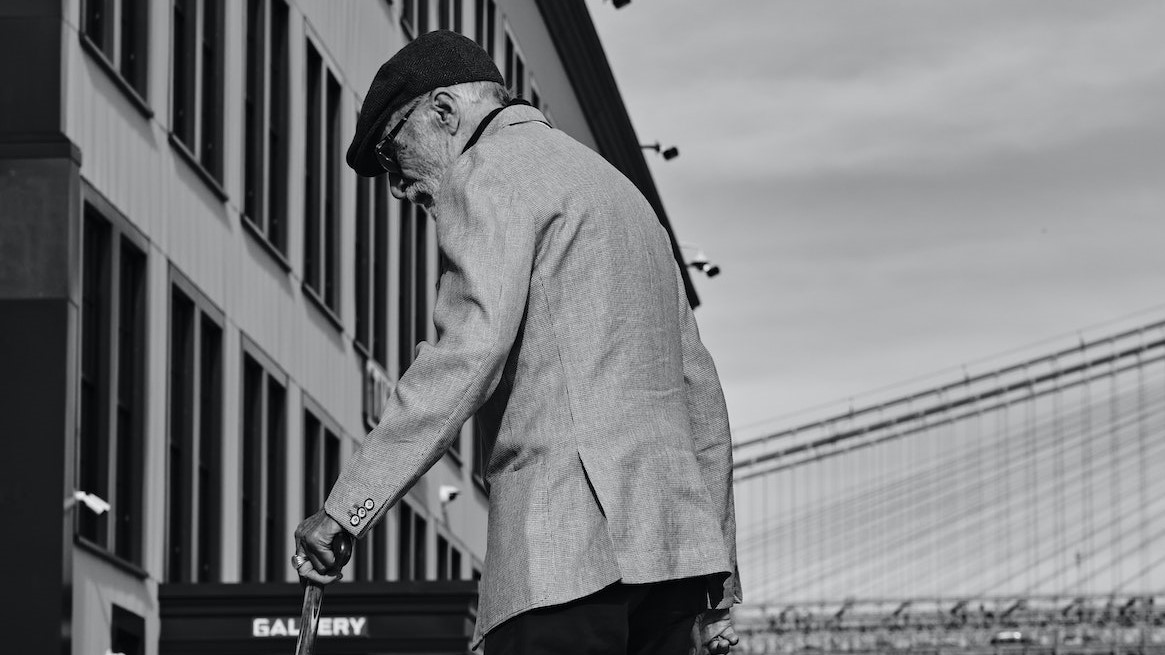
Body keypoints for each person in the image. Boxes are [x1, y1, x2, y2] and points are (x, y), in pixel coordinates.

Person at [292, 30, 741, 655]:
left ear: (444, 114)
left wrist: (347, 507)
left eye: (394, 156)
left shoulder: (489, 172)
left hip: (567, 559)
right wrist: (717, 585)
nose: (398, 189)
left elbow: (465, 356)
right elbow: (703, 400)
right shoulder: (626, 198)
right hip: (673, 568)